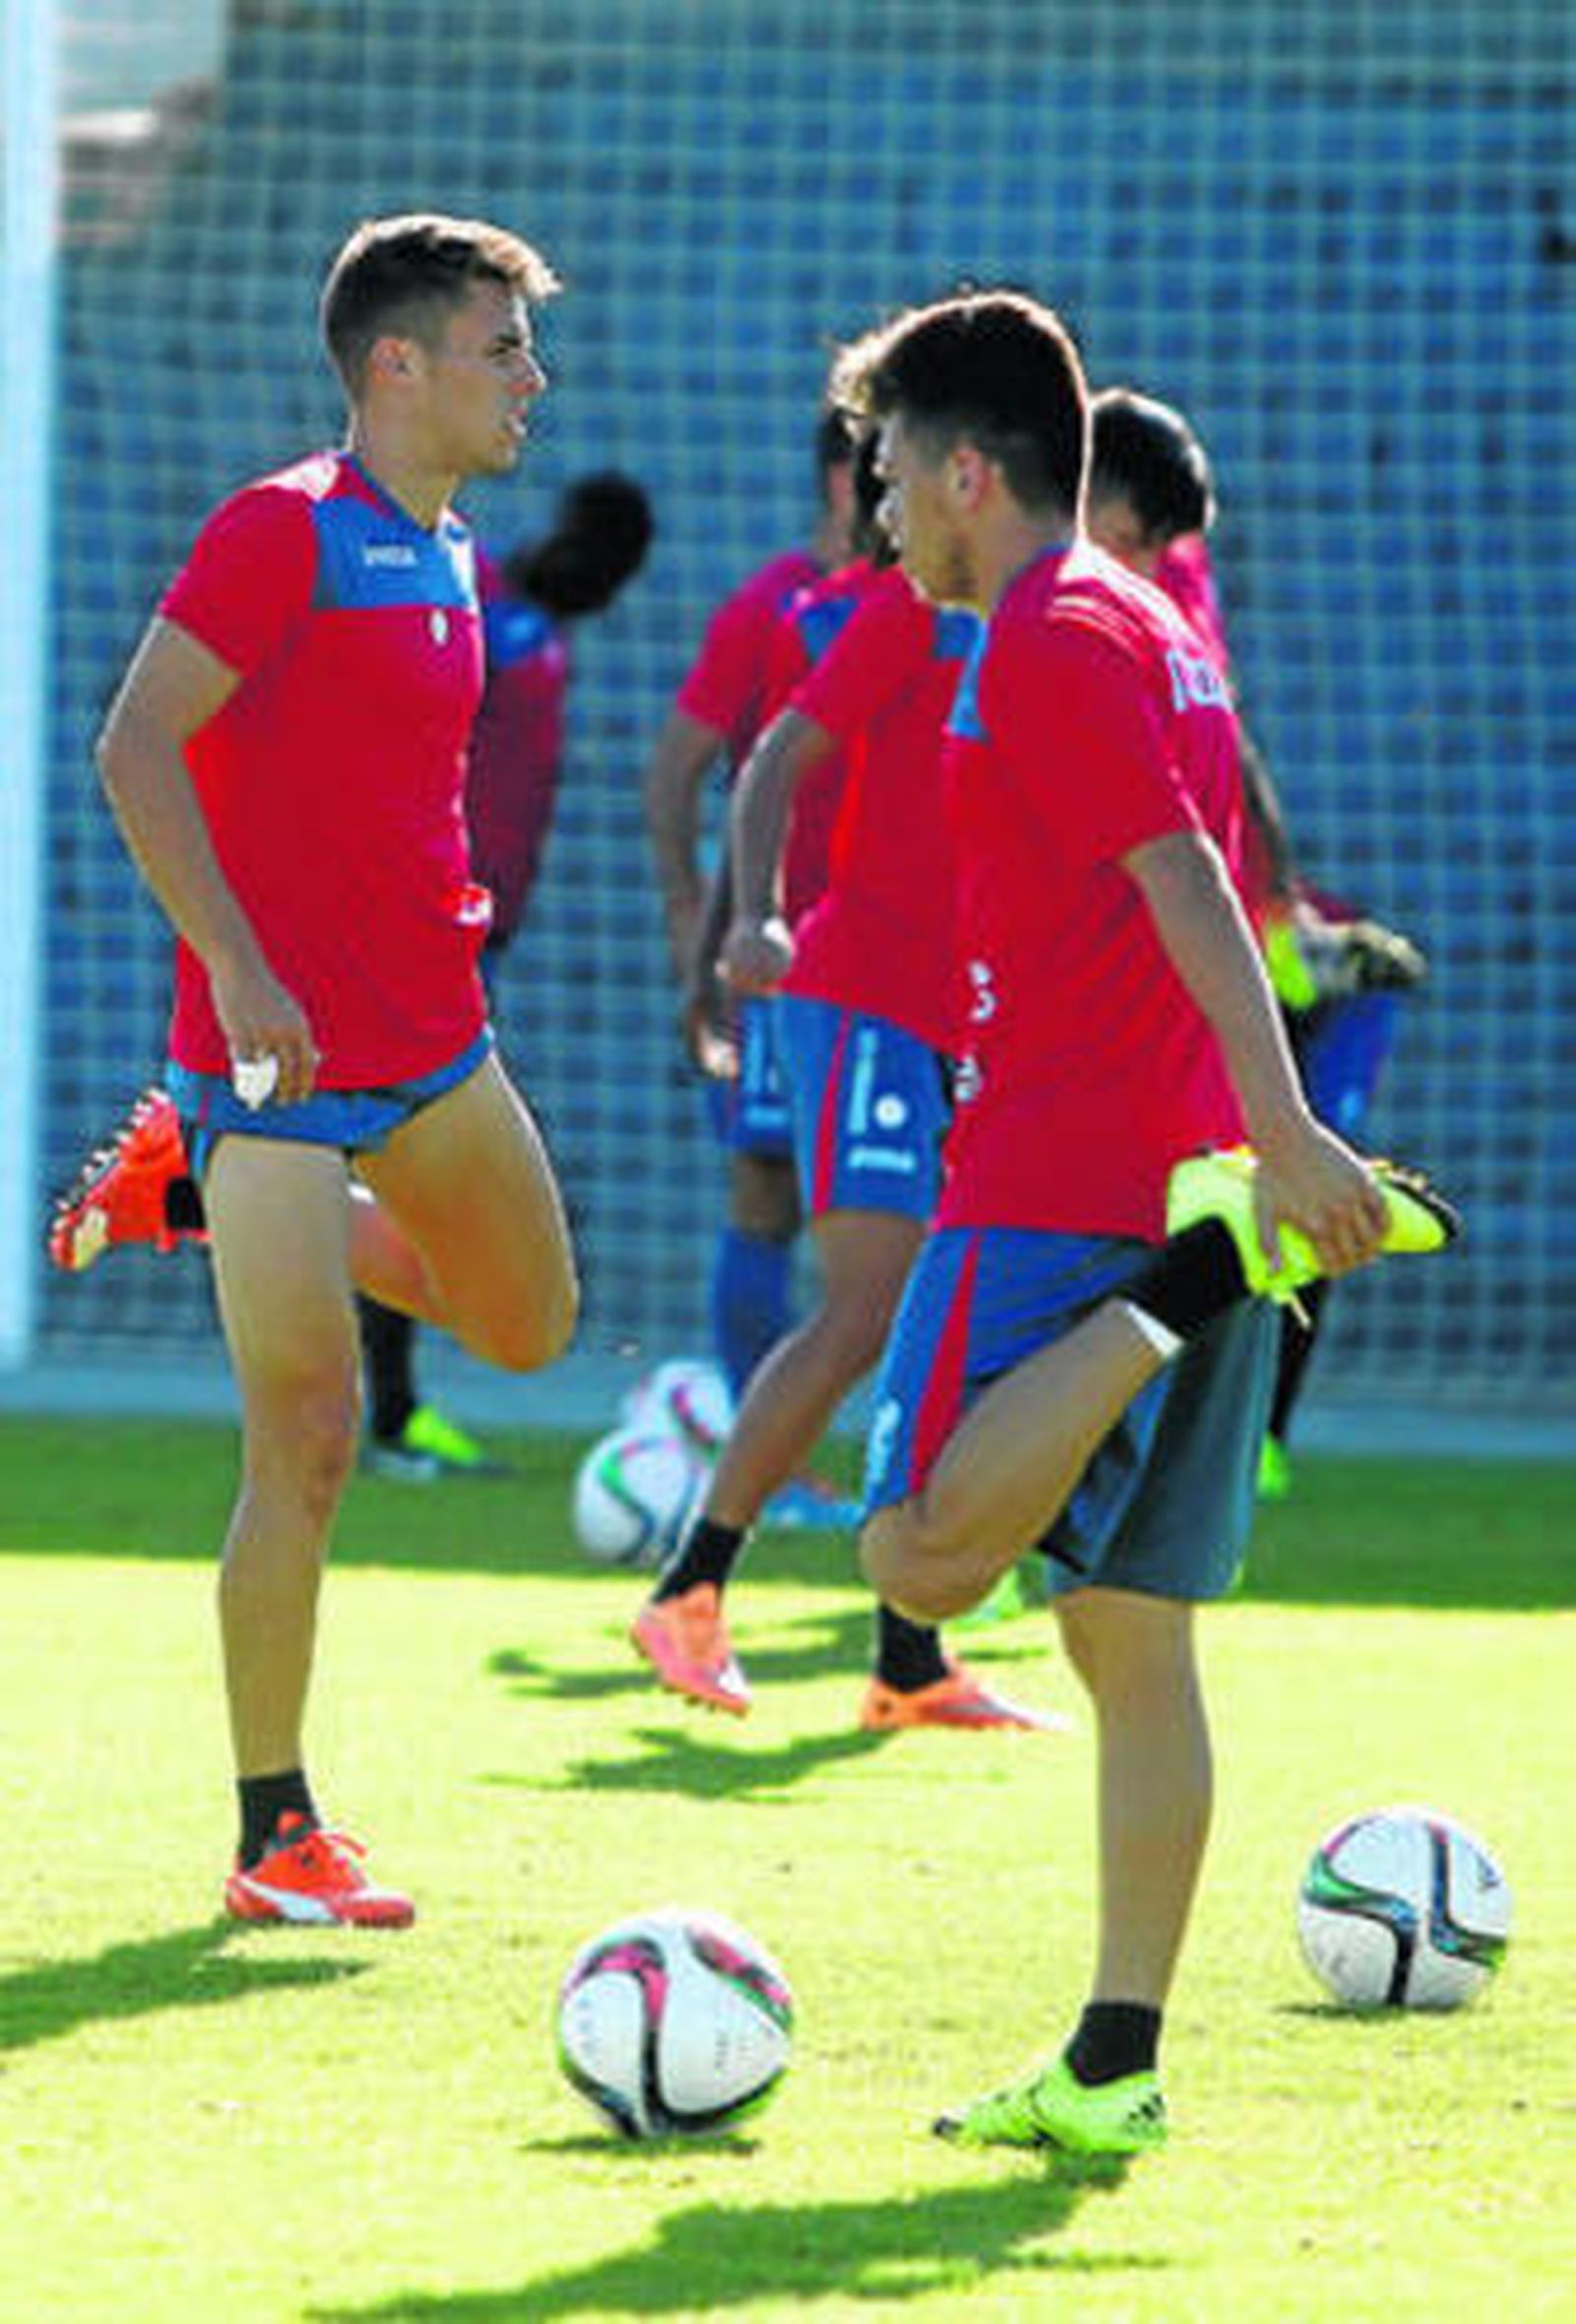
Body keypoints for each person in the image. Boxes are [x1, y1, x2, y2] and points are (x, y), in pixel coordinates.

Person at [828, 289, 1456, 2155]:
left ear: (965, 469)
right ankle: (1114, 2064)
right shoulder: (1153, 625)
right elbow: (1187, 876)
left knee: (920, 1561)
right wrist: (1256, 1138)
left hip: (1071, 1186)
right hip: (1181, 1164)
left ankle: (1192, 1284)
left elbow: (1184, 874)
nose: (870, 511)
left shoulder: (1052, 631)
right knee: (1126, 1631)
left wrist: (1281, 1138)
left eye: (883, 473)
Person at [53, 213, 578, 1928]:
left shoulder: (455, 553)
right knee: (311, 1434)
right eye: (502, 347)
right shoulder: (279, 529)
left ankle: (186, 1196)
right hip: (266, 1062)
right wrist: (240, 964)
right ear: (394, 364)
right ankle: (276, 1828)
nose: (531, 378)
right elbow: (136, 744)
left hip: (434, 1050)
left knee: (529, 1328)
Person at [632, 433, 1060, 1733]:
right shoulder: (895, 613)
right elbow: (768, 766)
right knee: (874, 1300)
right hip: (861, 996)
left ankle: (909, 1653)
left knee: (946, 1317)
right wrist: (748, 918)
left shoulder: (1040, 624)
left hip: (961, 1015)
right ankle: (690, 1586)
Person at [1085, 386, 1428, 1498]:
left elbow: (1220, 751)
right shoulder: (1026, 596)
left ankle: (1227, 1436)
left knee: (1227, 1173)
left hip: (1186, 926)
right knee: (1120, 1205)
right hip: (1111, 939)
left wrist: (1282, 909)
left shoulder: (1157, 589)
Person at [359, 470, 654, 1481]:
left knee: (401, 1158)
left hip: (473, 939)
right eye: (596, 557)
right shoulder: (465, 585)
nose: (598, 584)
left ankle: (392, 1410)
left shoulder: (540, 622)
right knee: (404, 1161)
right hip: (413, 928)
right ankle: (389, 1412)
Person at [642, 415, 862, 1524]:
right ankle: (765, 1468)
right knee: (769, 1196)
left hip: (903, 963)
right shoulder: (777, 609)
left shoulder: (938, 608)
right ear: (844, 477)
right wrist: (696, 912)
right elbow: (679, 770)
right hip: (786, 962)